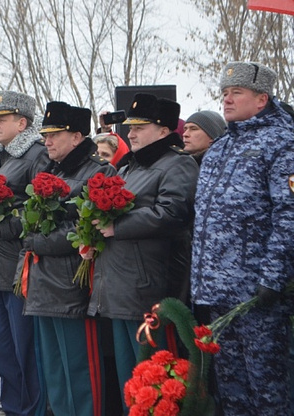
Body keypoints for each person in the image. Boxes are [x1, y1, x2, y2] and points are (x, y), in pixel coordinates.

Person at [191, 62, 294, 415]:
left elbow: (289, 215)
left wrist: (272, 278)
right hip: (218, 294)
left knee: (268, 389)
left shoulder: (282, 143)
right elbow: (205, 220)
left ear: (262, 99)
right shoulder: (218, 149)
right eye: (224, 94)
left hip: (257, 294)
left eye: (237, 93)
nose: (228, 100)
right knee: (231, 391)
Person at [87, 94, 199, 414]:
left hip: (148, 283)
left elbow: (172, 213)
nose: (130, 134)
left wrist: (116, 227)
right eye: (129, 127)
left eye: (140, 127)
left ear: (164, 131)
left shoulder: (178, 164)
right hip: (119, 281)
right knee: (128, 375)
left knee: (153, 374)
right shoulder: (130, 165)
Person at [22, 101, 114, 416]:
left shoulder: (98, 170)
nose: (46, 141)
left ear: (76, 137)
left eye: (54, 134)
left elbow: (84, 229)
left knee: (79, 369)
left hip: (73, 283)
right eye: (45, 134)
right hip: (43, 281)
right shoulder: (49, 169)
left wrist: (38, 241)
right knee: (55, 371)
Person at [0, 90, 48, 416]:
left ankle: (32, 408)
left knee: (25, 346)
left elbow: (40, 212)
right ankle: (12, 406)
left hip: (22, 265)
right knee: (3, 348)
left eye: (2, 119)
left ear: (22, 122)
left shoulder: (37, 155)